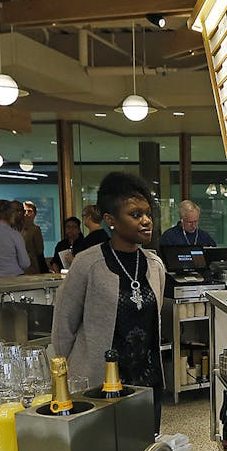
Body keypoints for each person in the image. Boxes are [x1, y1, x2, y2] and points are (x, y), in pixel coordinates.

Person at [52, 172, 166, 427]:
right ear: (110, 220)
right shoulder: (88, 264)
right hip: (98, 387)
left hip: (147, 385)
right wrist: (68, 383)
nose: (146, 221)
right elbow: (63, 328)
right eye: (135, 215)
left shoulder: (155, 265)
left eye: (148, 213)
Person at [21, 201, 49, 274]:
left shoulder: (35, 230)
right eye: (24, 211)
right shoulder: (16, 228)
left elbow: (39, 251)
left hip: (31, 267)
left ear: (35, 214)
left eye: (29, 211)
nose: (26, 214)